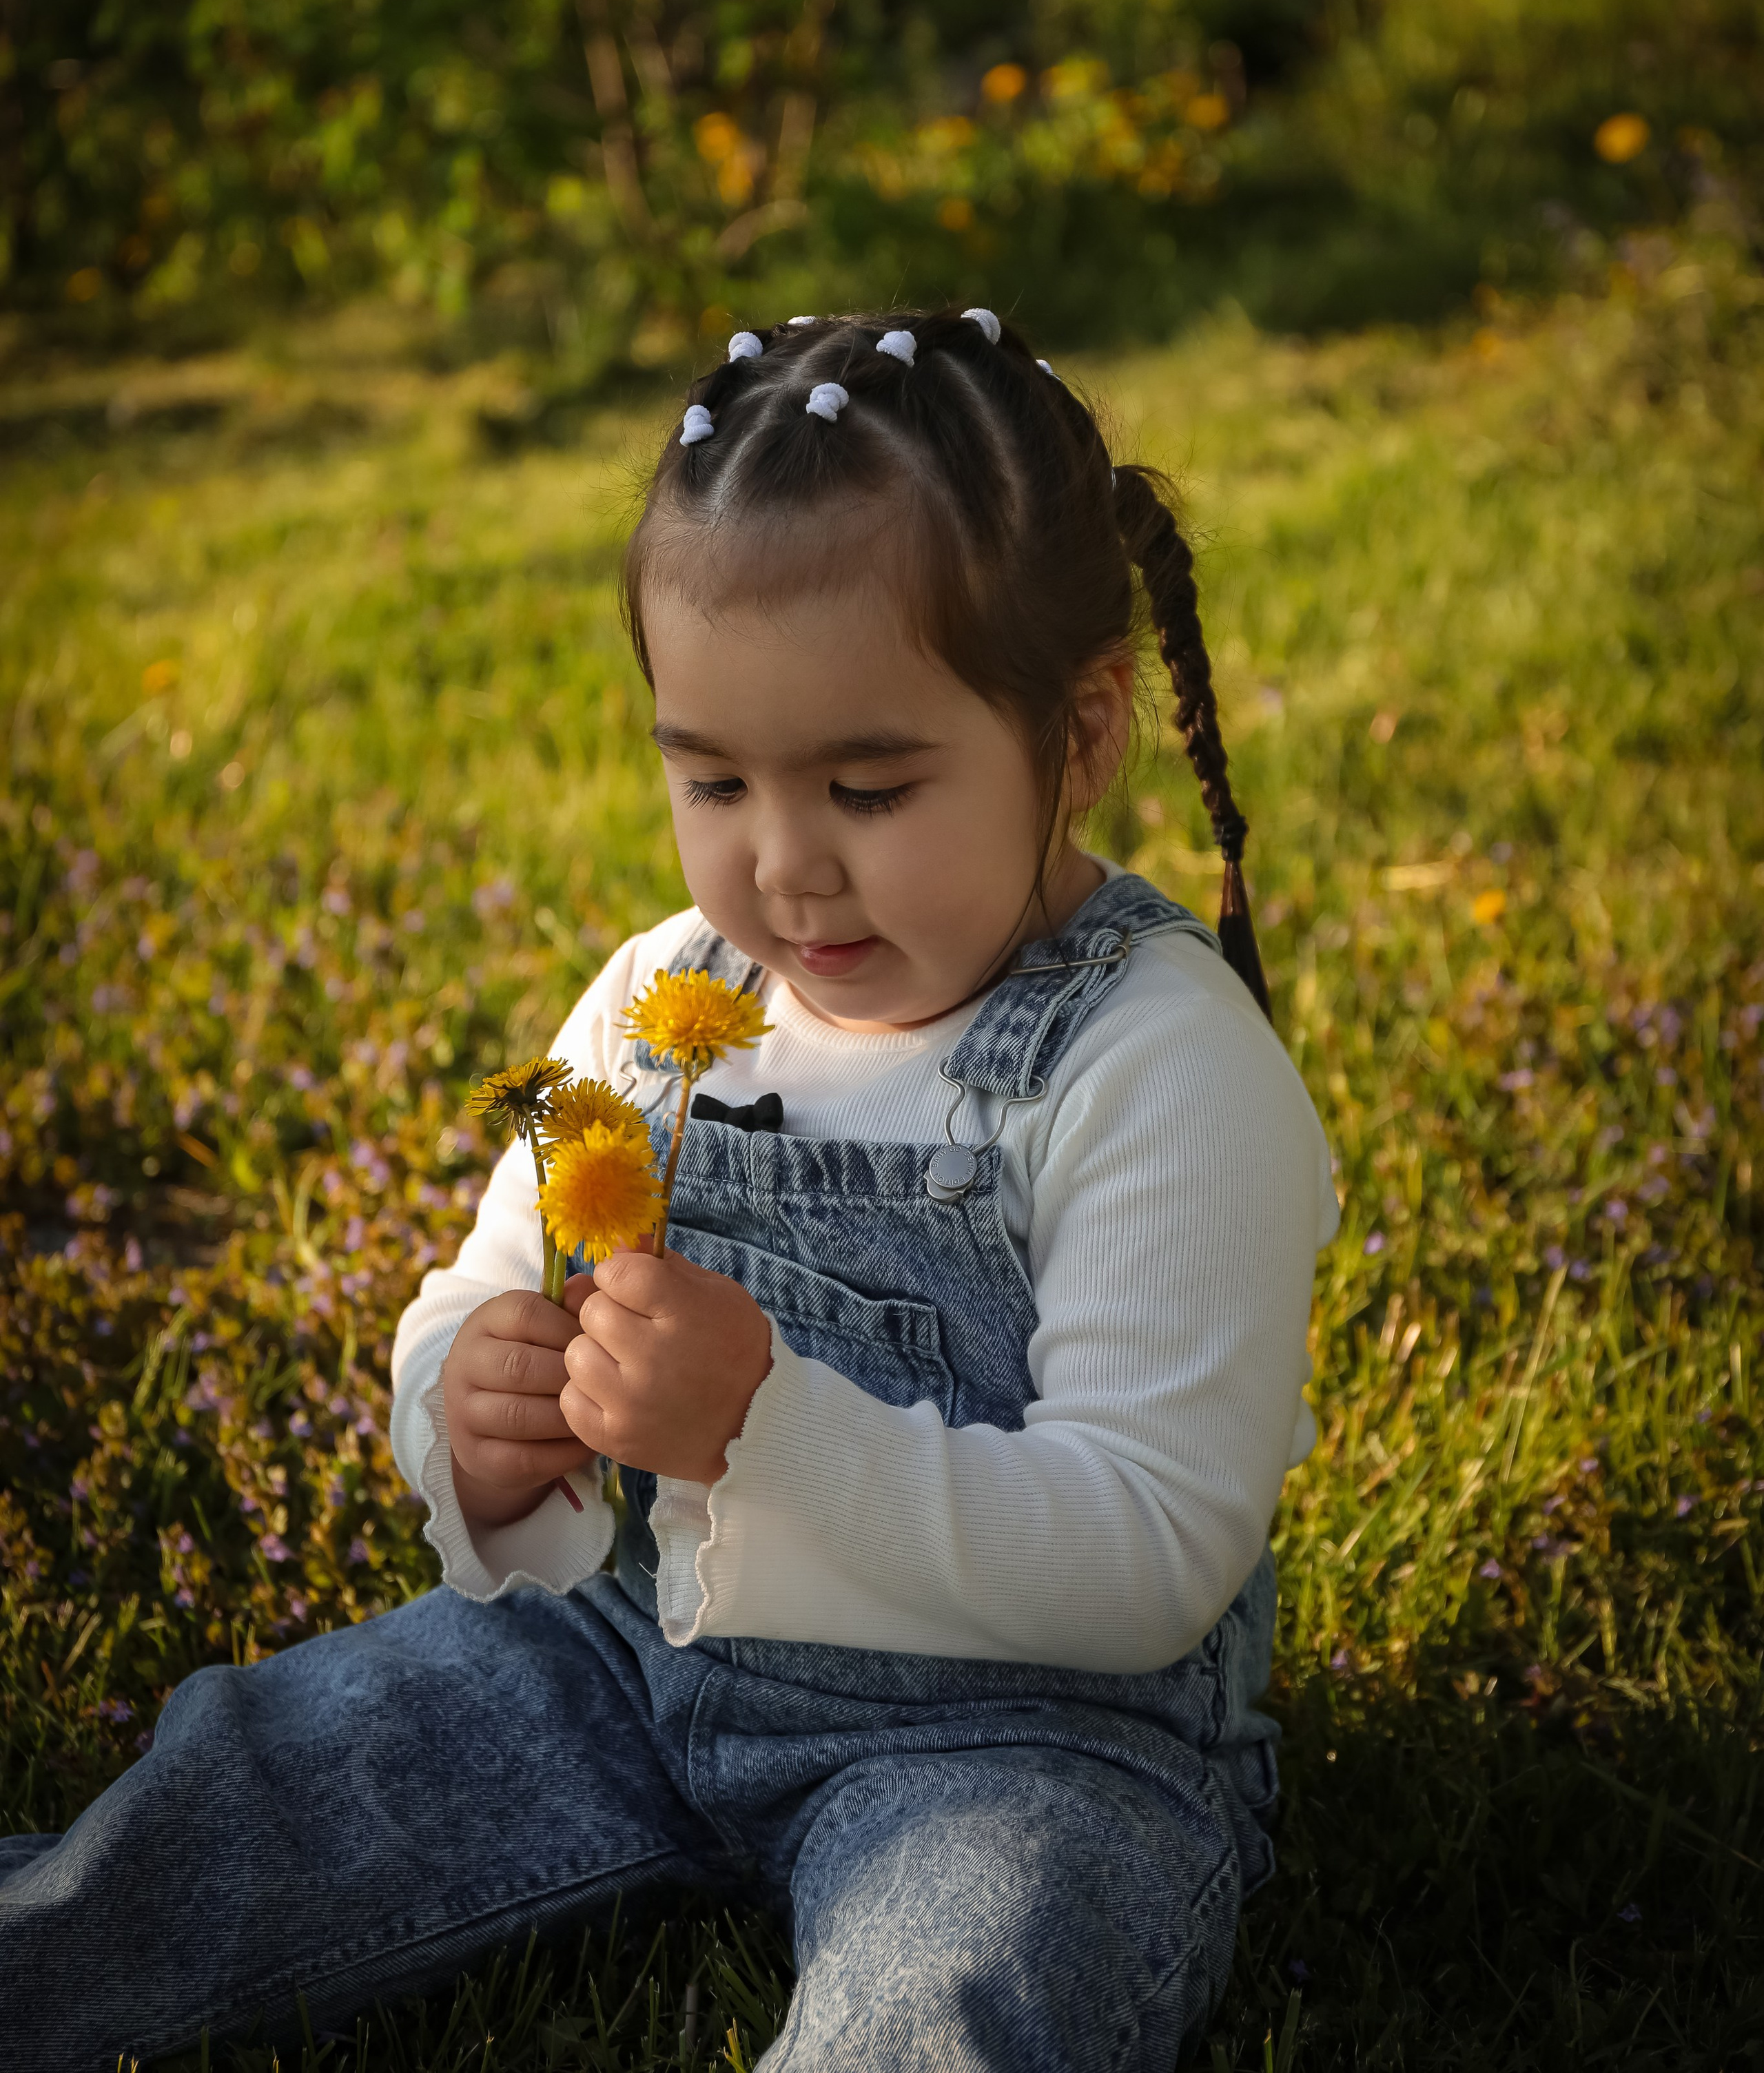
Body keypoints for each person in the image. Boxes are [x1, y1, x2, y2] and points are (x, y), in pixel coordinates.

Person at [0, 307, 1335, 2072]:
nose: (780, 862)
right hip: (619, 1658)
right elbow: (490, 1275)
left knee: (957, 1993)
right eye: (710, 776)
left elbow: (1150, 1546)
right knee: (243, 1799)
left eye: (867, 785)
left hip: (1022, 1741)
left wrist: (763, 1433)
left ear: (1079, 733)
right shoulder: (659, 999)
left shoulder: (1153, 1060)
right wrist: (469, 1404)